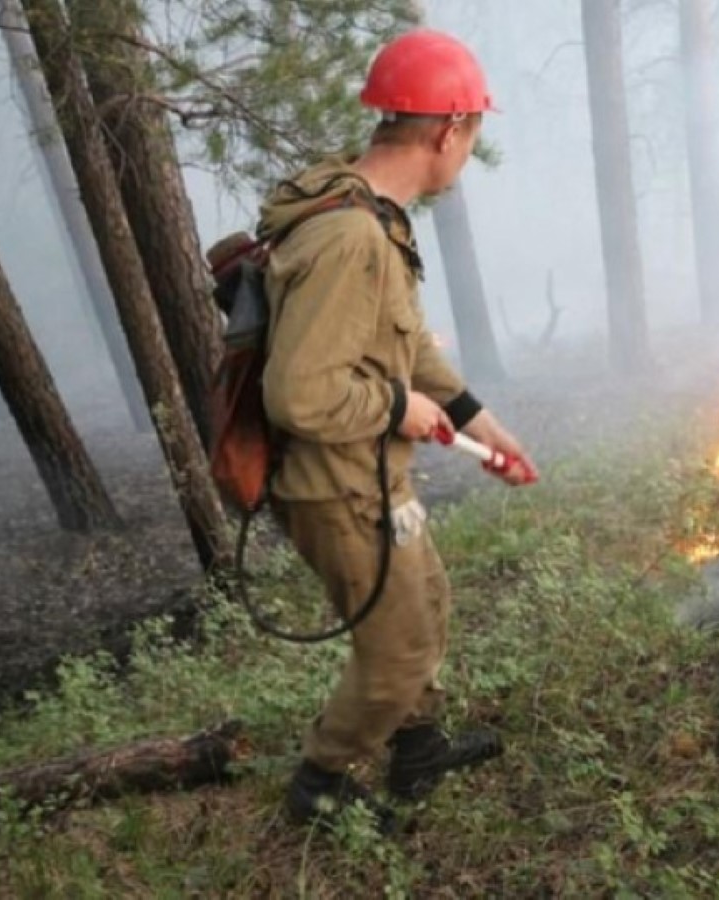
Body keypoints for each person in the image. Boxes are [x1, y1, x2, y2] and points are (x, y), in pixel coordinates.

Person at [258, 28, 538, 829]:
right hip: (337, 487)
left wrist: (477, 420)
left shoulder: (369, 209)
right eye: (473, 131)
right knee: (397, 652)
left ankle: (418, 751)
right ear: (449, 131)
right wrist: (394, 407)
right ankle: (318, 788)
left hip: (373, 474)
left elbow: (403, 342)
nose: (467, 150)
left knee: (428, 600)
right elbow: (298, 394)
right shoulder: (352, 237)